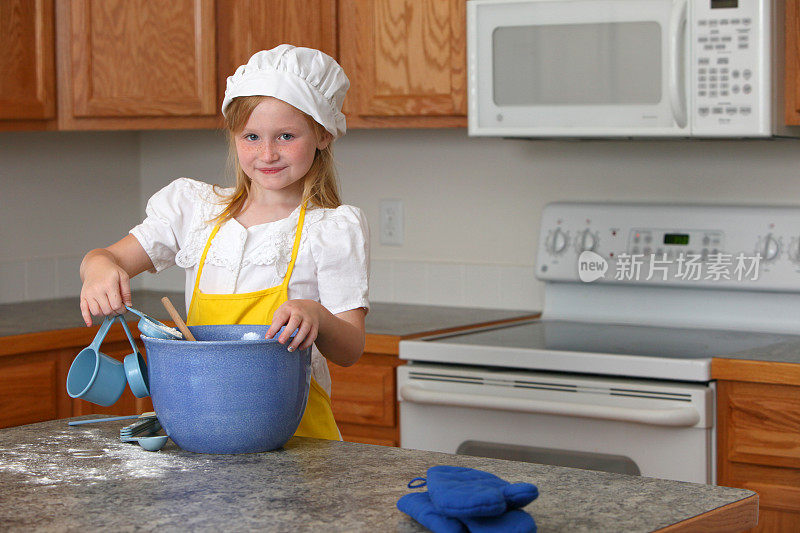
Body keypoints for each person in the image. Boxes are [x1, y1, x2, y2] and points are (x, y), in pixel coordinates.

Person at [78, 44, 369, 441]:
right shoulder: (195, 210)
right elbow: (107, 257)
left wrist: (315, 314)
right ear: (234, 135)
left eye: (286, 135)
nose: (267, 153)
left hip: (298, 439)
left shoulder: (332, 229)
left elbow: (351, 348)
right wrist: (98, 270)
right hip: (203, 427)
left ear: (321, 133)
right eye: (251, 136)